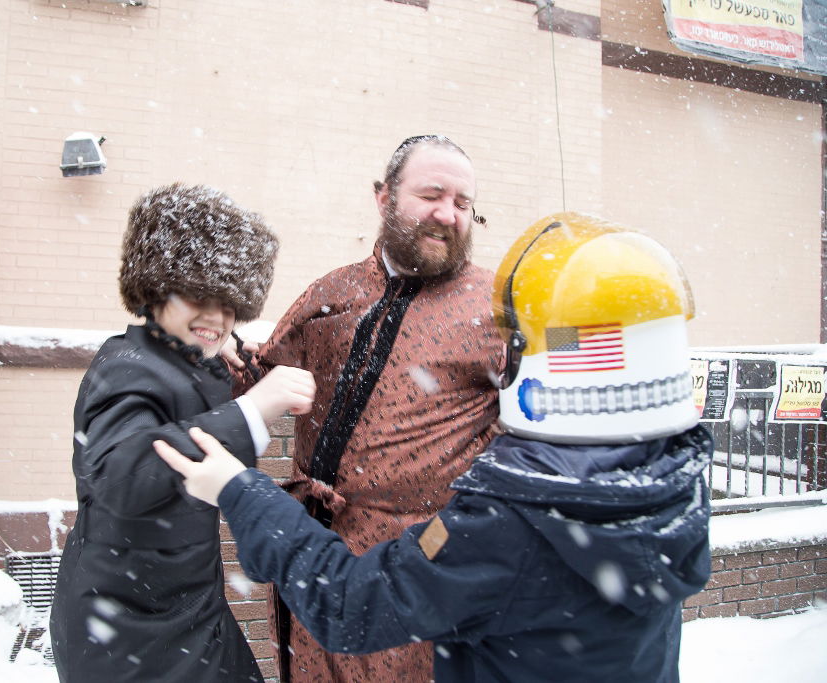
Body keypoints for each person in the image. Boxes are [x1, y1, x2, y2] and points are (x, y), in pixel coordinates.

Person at [160, 212, 714, 683]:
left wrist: (242, 491)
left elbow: (349, 602)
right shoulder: (670, 478)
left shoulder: (518, 522)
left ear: (527, 358)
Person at [223, 135, 506, 682]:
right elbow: (263, 374)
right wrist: (209, 355)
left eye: (463, 203)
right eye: (431, 195)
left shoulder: (501, 306)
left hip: (416, 571)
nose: (447, 214)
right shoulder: (332, 291)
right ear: (384, 198)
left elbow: (570, 379)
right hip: (311, 556)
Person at [49, 183, 316, 683]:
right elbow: (120, 477)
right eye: (200, 297)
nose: (216, 316)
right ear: (156, 290)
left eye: (230, 303)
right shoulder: (127, 365)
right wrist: (253, 409)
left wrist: (225, 361)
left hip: (179, 610)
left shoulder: (170, 359)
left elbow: (182, 411)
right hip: (135, 632)